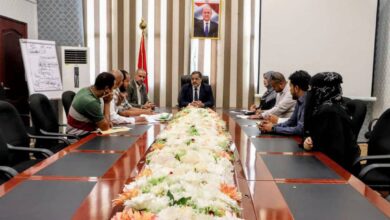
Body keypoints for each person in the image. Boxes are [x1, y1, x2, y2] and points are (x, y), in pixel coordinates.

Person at [303, 72, 360, 172]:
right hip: (328, 164)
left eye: (313, 89)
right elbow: (317, 136)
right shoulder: (334, 105)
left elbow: (335, 150)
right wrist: (309, 140)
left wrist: (311, 144)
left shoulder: (329, 112)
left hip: (338, 171)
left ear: (324, 90)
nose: (310, 93)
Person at [259, 70, 311, 136]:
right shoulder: (299, 100)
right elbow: (291, 122)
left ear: (296, 88)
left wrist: (273, 128)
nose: (290, 90)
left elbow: (299, 130)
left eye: (291, 86)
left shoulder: (308, 102)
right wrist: (272, 126)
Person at [66, 72, 114, 136]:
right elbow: (106, 128)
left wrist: (106, 122)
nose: (112, 91)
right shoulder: (90, 102)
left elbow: (105, 121)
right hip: (78, 139)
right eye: (112, 88)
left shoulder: (86, 90)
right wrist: (107, 103)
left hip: (84, 133)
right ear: (107, 88)